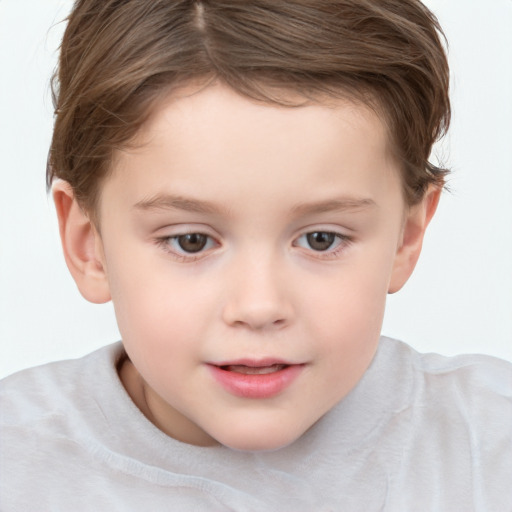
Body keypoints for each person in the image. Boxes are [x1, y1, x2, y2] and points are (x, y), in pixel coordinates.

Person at [1, 0, 511, 509]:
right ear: (89, 244)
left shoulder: (488, 445)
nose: (258, 306)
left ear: (407, 235)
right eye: (191, 241)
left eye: (321, 239)